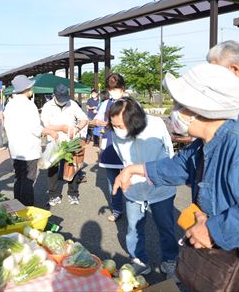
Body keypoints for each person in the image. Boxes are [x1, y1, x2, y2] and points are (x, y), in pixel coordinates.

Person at [113, 63, 239, 292]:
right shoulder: (205, 143)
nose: (174, 110)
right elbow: (179, 166)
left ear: (198, 108)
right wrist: (136, 169)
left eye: (178, 104)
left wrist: (212, 230)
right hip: (228, 261)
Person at [108, 97, 178, 276]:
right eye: (114, 126)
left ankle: (170, 261)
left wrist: (167, 175)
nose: (118, 130)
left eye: (121, 126)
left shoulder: (155, 124)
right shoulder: (116, 134)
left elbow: (169, 150)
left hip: (160, 185)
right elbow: (123, 157)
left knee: (166, 227)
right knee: (133, 227)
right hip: (133, 188)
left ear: (134, 120)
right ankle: (139, 260)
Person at [4, 75, 58, 206]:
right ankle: (27, 208)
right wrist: (50, 131)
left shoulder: (9, 105)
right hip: (28, 149)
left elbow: (6, 125)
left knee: (19, 178)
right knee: (28, 180)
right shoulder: (29, 105)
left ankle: (18, 206)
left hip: (15, 149)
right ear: (27, 88)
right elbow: (36, 129)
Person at [41, 83, 88, 206]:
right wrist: (61, 128)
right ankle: (53, 195)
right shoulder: (47, 106)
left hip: (71, 141)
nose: (63, 101)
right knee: (53, 169)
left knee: (72, 167)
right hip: (54, 141)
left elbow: (84, 119)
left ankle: (73, 193)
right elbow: (45, 126)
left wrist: (77, 128)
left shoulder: (72, 104)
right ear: (54, 95)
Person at [92, 74, 126, 222]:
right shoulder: (105, 103)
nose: (112, 92)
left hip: (127, 146)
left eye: (115, 89)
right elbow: (96, 120)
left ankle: (134, 210)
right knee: (112, 181)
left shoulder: (130, 103)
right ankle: (117, 209)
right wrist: (98, 122)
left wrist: (111, 124)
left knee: (130, 180)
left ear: (122, 88)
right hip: (109, 144)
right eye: (110, 89)